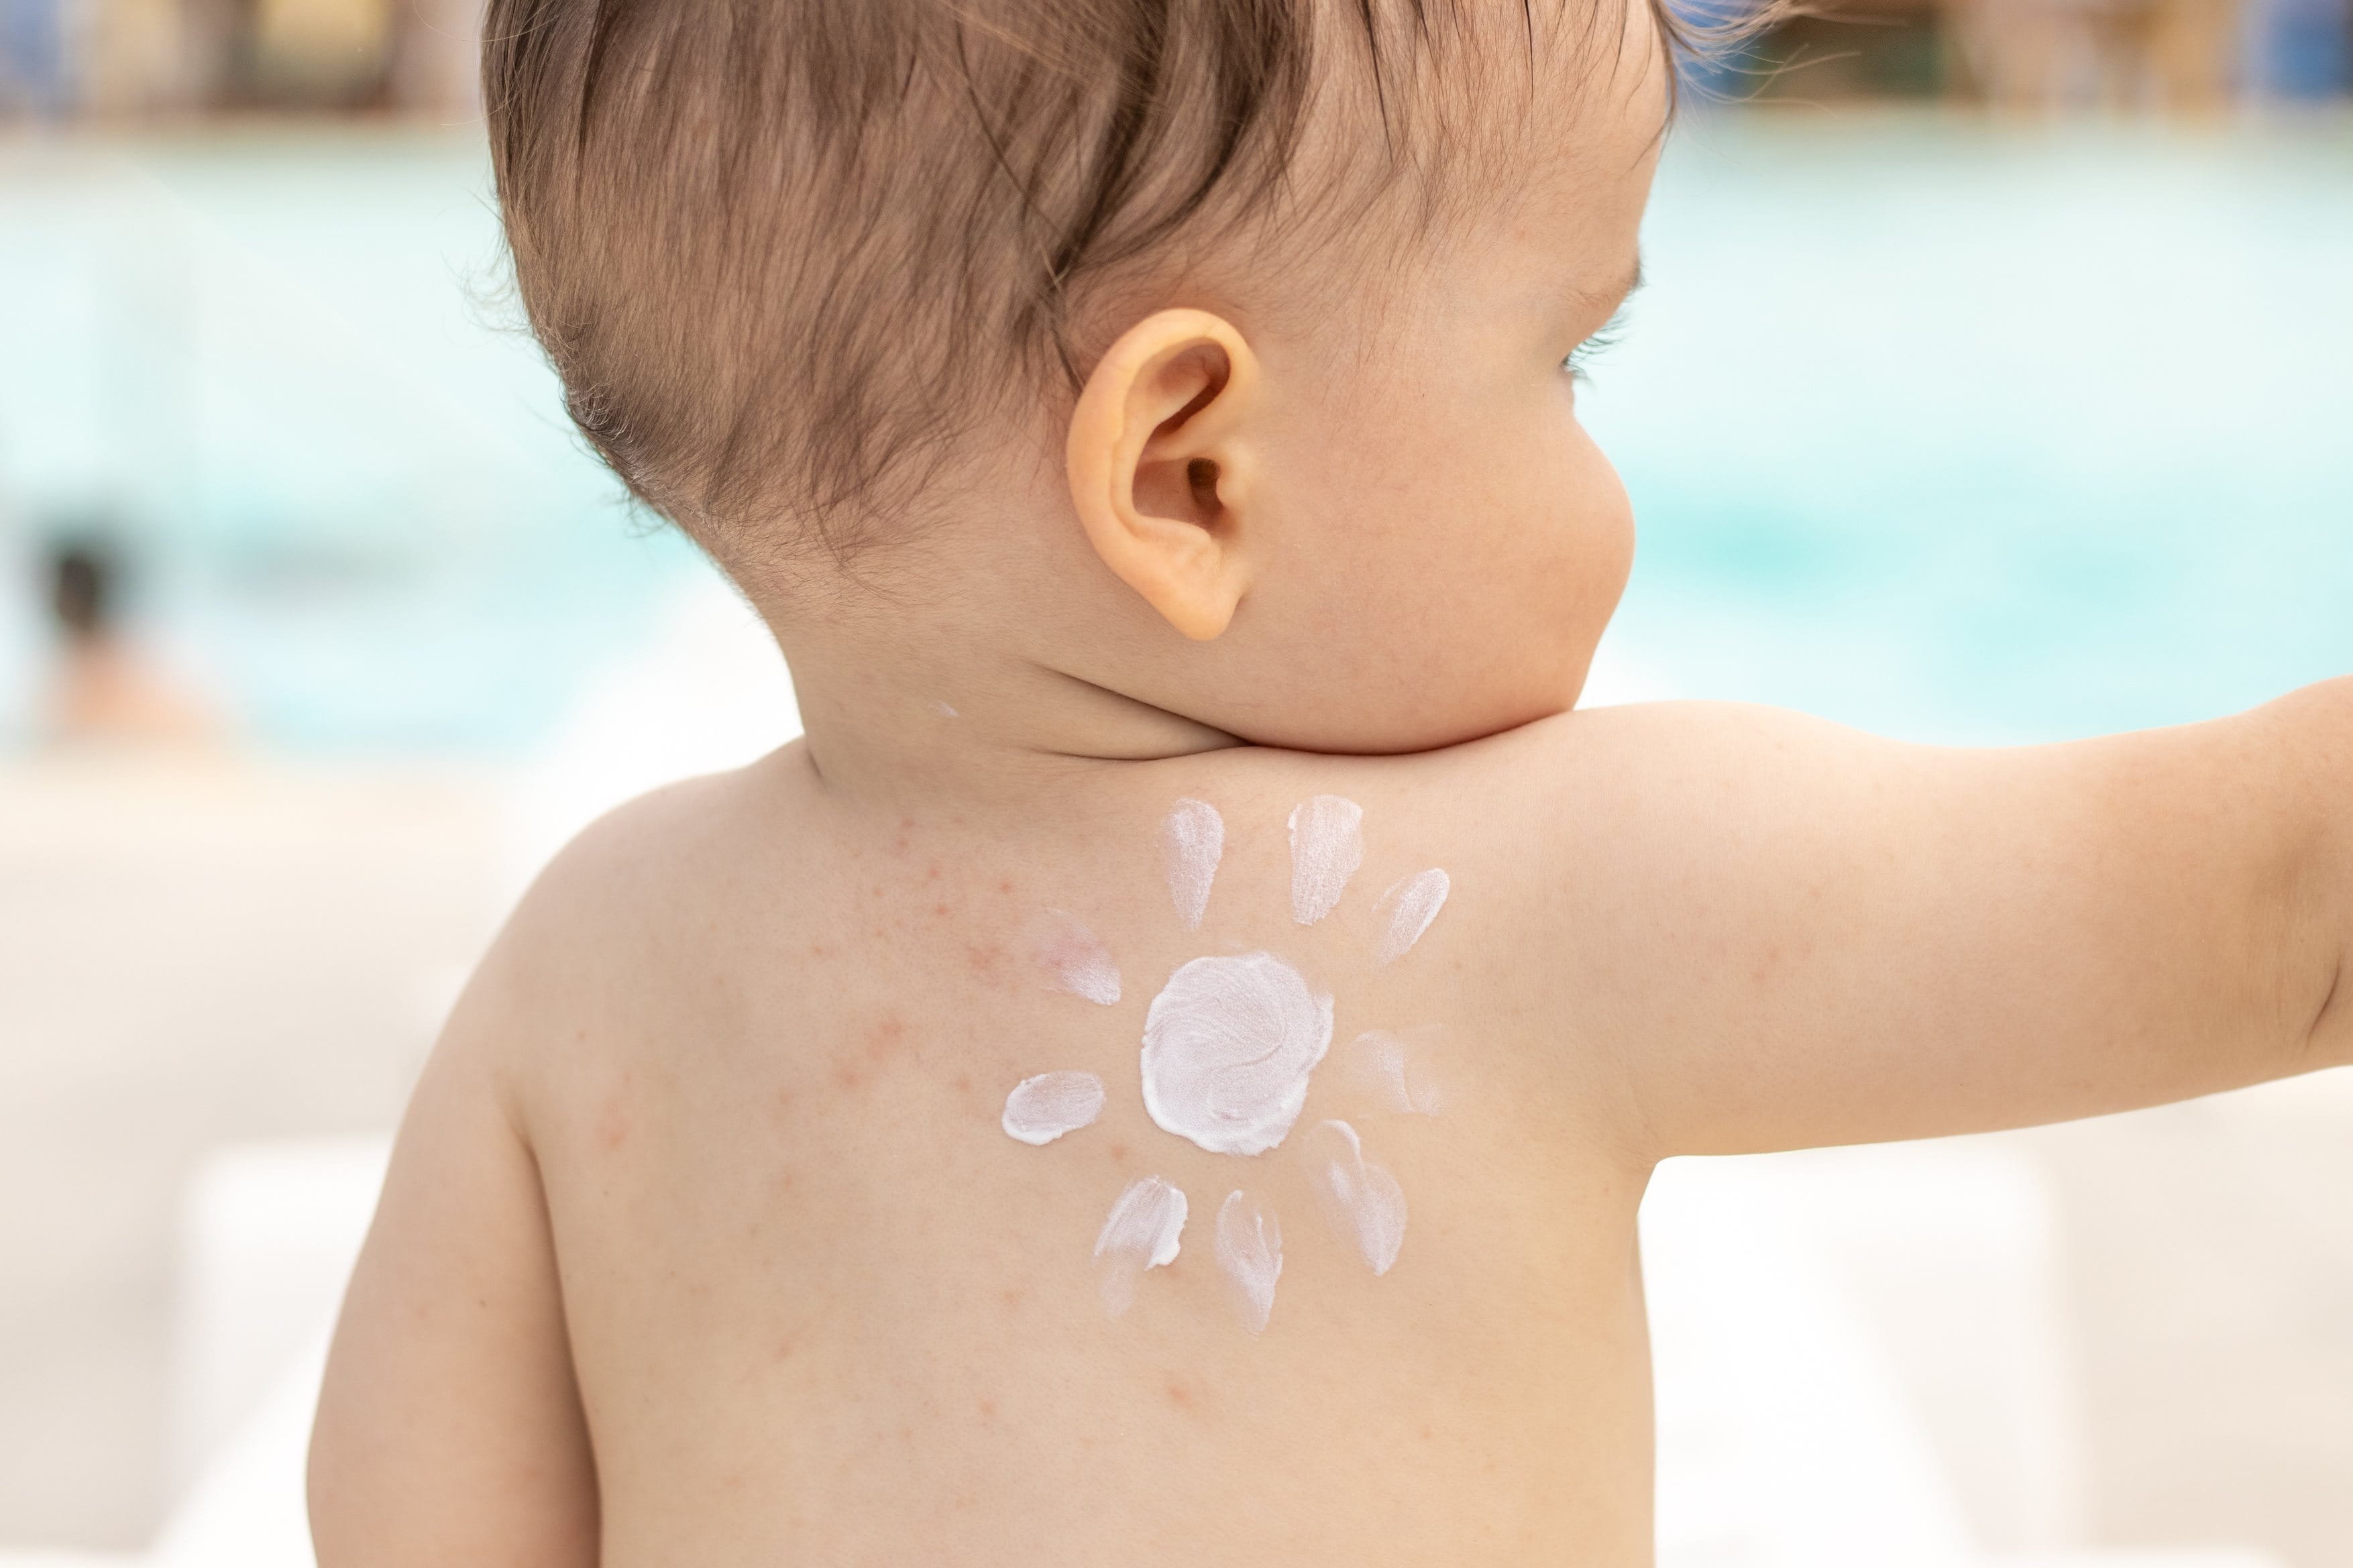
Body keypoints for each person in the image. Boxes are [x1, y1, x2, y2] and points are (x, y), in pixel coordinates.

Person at [307, 3, 2352, 1562]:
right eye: (1571, 359)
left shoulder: (582, 970)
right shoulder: (1555, 895)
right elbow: (2276, 906)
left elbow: (408, 1516)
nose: (1595, 453)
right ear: (1189, 473)